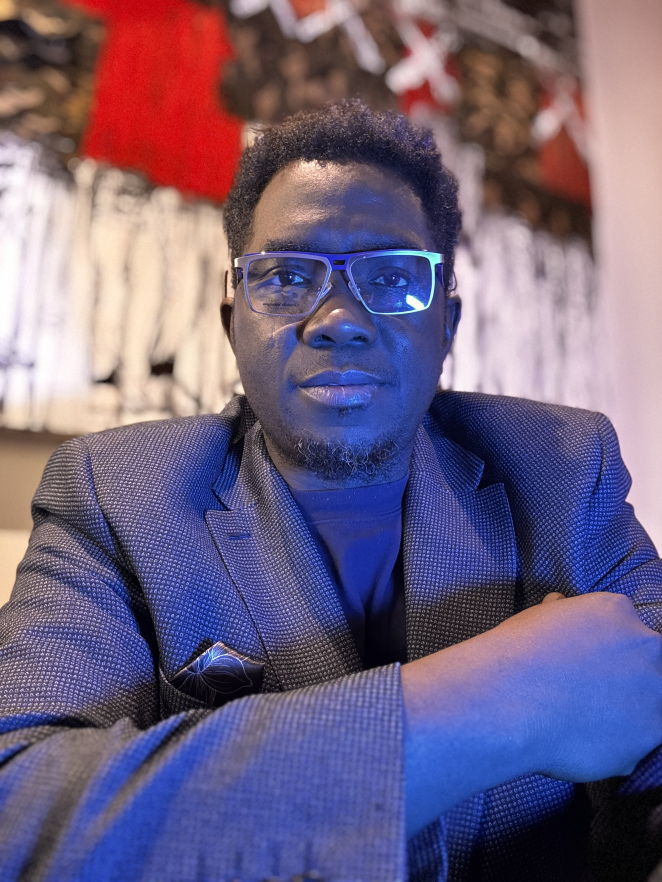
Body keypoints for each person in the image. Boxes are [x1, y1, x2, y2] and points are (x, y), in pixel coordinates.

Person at [1, 100, 661, 882]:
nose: (339, 320)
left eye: (391, 277)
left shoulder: (563, 469)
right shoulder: (115, 496)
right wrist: (498, 700)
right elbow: (20, 812)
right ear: (232, 321)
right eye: (286, 277)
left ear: (446, 325)